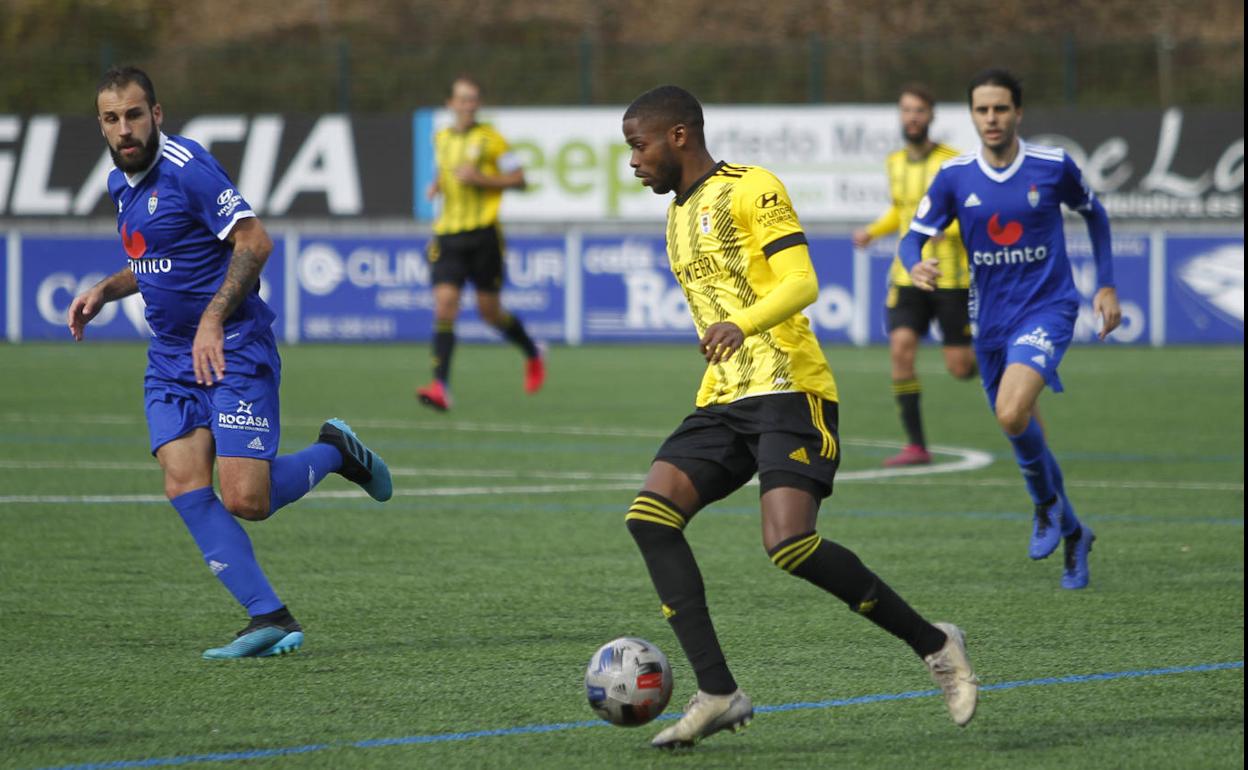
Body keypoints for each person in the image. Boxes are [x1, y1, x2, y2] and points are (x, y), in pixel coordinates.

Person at [621, 85, 978, 749]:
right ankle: (719, 692)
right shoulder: (674, 216)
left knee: (788, 543)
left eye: (638, 146)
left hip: (790, 387)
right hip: (723, 398)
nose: (633, 161)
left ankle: (935, 644)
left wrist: (742, 323)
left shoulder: (752, 187)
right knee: (650, 518)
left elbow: (803, 282)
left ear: (678, 136)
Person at [69, 66, 394, 659]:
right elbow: (156, 262)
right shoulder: (121, 182)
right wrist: (106, 290)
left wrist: (214, 319)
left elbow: (254, 242)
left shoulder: (189, 169)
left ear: (157, 115)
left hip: (233, 347)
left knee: (248, 499)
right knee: (183, 483)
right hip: (170, 358)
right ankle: (267, 615)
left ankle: (337, 452)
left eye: (135, 115)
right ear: (102, 125)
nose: (125, 129)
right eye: (112, 119)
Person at [899, 68, 1120, 590]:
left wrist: (1106, 285)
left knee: (1011, 411)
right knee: (1022, 426)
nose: (991, 119)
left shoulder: (1052, 166)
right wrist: (915, 264)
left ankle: (1044, 506)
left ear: (1018, 112)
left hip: (1049, 307)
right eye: (982, 110)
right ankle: (1073, 531)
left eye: (1001, 109)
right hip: (991, 320)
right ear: (972, 115)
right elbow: (914, 237)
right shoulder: (955, 176)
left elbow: (1096, 215)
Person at [852, 84, 977, 467]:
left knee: (961, 367)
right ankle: (917, 445)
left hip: (950, 278)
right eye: (906, 110)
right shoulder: (894, 163)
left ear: (932, 115)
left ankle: (993, 361)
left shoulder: (954, 162)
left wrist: (948, 231)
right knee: (900, 350)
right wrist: (873, 231)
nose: (912, 117)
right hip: (908, 276)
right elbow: (901, 211)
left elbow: (974, 214)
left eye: (919, 110)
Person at [416, 75, 544, 411]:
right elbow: (445, 172)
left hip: (484, 235)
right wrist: (437, 186)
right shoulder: (440, 138)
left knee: (489, 313)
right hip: (447, 234)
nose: (469, 105)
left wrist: (482, 179)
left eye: (473, 99)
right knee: (445, 303)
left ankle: (531, 351)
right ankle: (440, 386)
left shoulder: (492, 140)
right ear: (450, 104)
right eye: (463, 99)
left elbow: (520, 180)